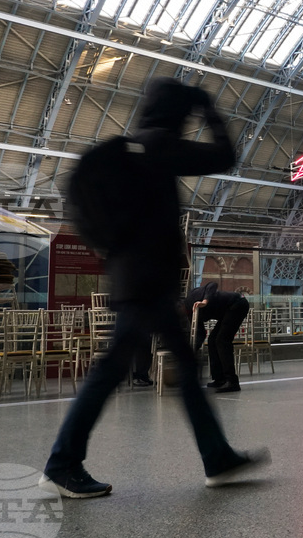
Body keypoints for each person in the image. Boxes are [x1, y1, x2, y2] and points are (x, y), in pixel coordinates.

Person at [40, 78, 269, 499]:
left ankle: (216, 456)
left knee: (178, 367)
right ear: (177, 114)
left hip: (141, 280)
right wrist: (208, 108)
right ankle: (62, 463)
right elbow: (226, 155)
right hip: (146, 283)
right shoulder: (160, 146)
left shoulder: (134, 150)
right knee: (112, 371)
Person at [186, 282, 250, 393]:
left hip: (237, 303)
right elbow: (201, 334)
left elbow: (212, 285)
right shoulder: (190, 315)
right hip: (227, 311)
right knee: (212, 340)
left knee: (222, 340)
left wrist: (205, 301)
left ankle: (232, 381)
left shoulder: (192, 298)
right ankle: (219, 379)